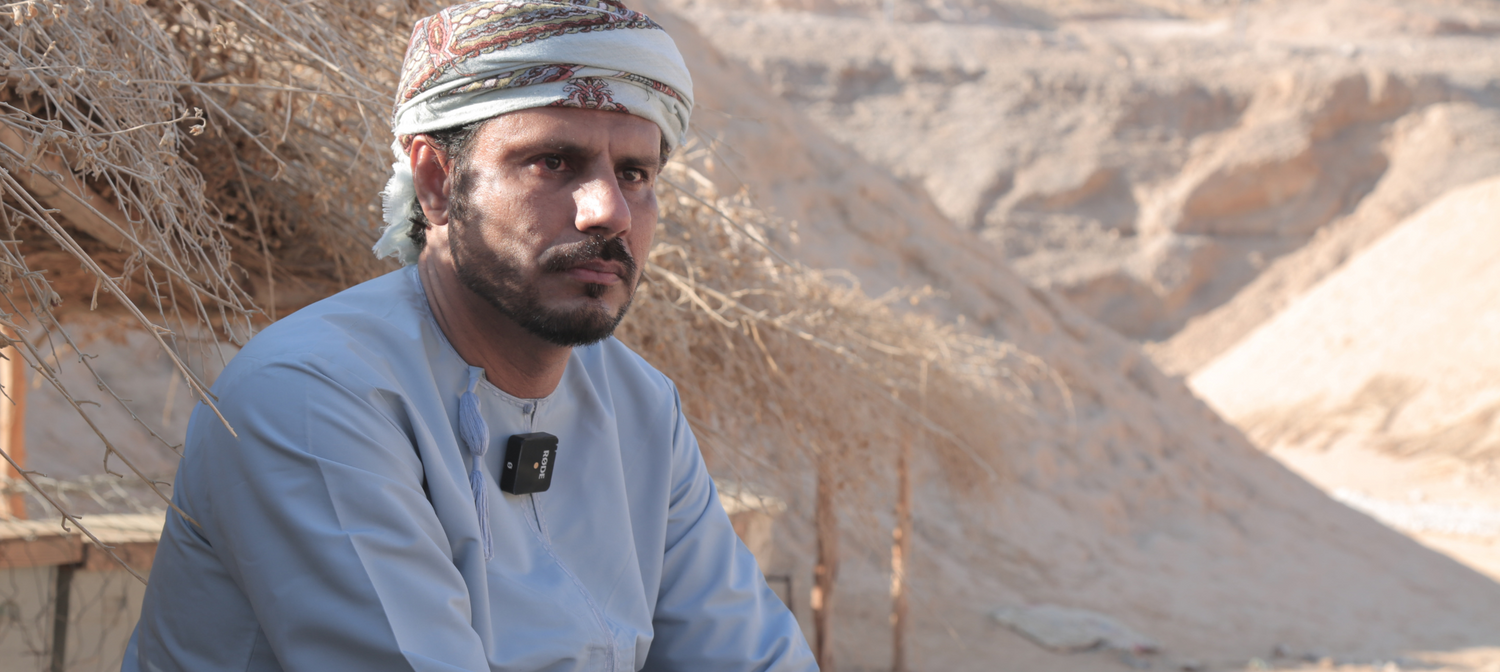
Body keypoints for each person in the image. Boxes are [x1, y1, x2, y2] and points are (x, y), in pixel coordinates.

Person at [122, 1, 818, 670]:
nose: (609, 211)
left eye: (634, 173)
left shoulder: (640, 406)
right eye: (553, 162)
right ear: (436, 181)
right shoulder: (312, 395)